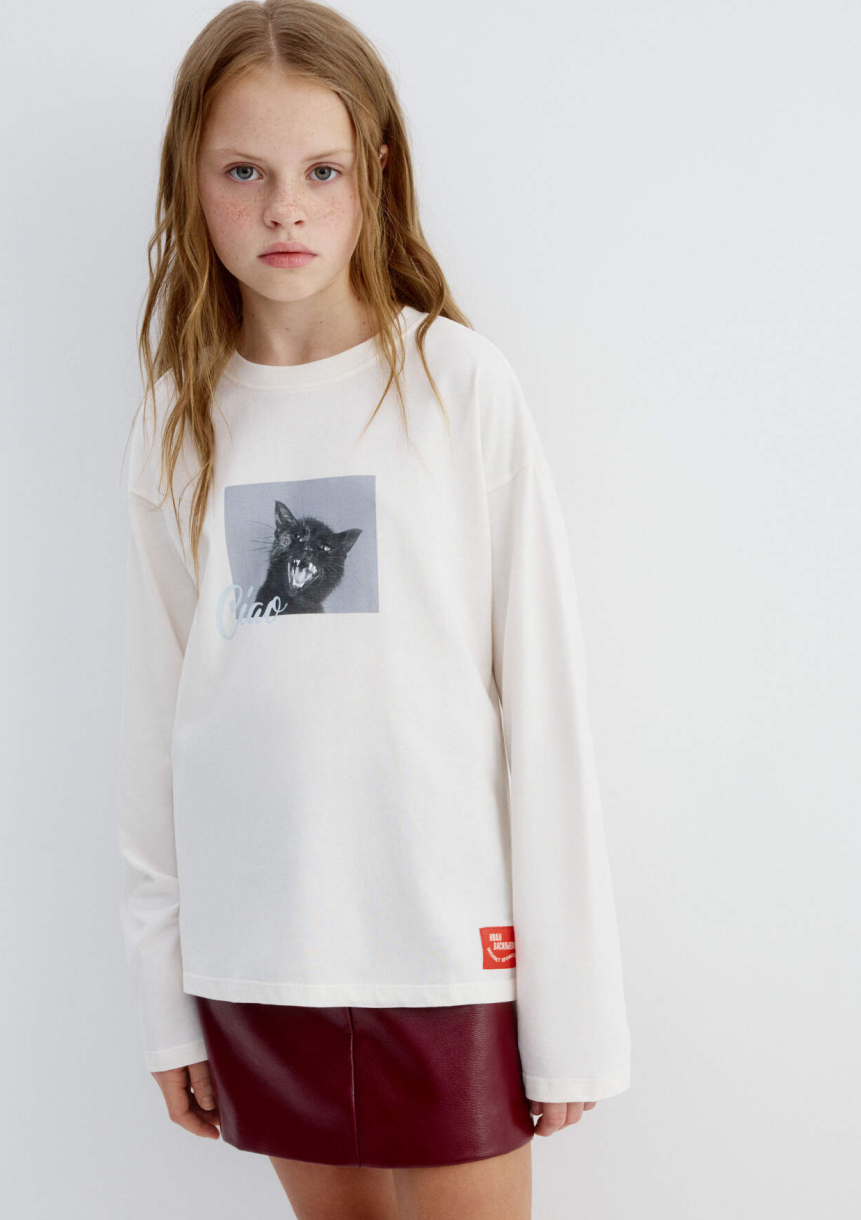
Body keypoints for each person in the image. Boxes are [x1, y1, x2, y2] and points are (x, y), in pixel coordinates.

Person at [116, 2, 631, 1216]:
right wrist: (167, 997)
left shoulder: (458, 386)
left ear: (376, 173)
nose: (284, 210)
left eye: (321, 170)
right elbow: (155, 728)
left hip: (446, 947)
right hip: (262, 953)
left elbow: (542, 701)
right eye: (244, 172)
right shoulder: (179, 420)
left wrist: (572, 1013)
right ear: (191, 180)